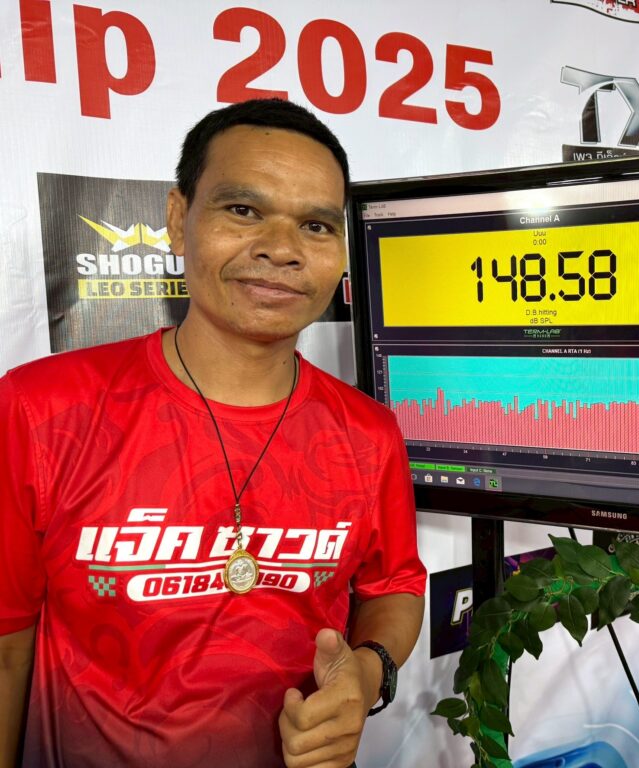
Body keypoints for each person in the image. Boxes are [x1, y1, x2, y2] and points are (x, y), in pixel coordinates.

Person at [0, 99, 426, 768]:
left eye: (315, 225)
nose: (282, 249)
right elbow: (6, 647)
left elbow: (394, 586)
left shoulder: (369, 432)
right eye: (244, 210)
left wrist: (368, 673)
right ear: (178, 220)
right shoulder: (41, 409)